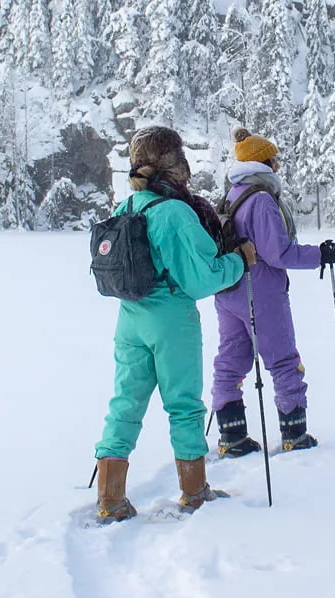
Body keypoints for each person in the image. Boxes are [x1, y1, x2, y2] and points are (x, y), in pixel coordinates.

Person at [93, 126, 257, 523]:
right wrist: (241, 260)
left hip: (130, 319)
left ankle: (110, 498)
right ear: (174, 164)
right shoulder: (175, 213)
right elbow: (201, 278)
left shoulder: (127, 207)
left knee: (124, 404)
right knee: (184, 405)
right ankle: (194, 491)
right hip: (171, 320)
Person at [211, 128, 335, 455]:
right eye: (275, 159)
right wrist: (320, 255)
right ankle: (294, 434)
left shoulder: (232, 194)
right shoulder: (262, 199)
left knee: (230, 361)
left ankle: (232, 436)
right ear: (263, 162)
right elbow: (277, 253)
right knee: (283, 360)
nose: (279, 165)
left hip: (228, 290)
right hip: (262, 291)